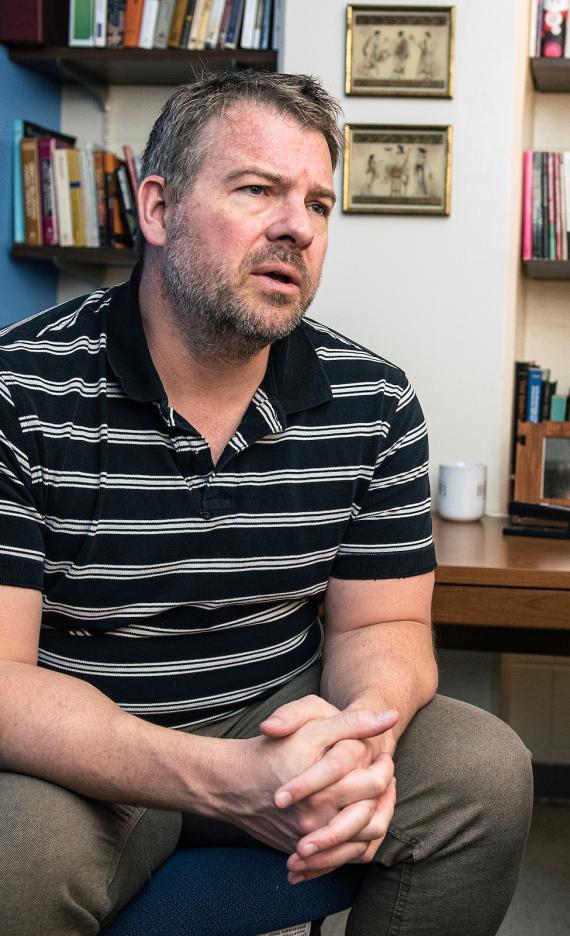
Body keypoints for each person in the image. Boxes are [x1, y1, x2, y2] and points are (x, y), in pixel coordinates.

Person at [0, 71, 532, 936]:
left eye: (319, 205)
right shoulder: (18, 387)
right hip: (84, 745)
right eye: (258, 190)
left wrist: (357, 740)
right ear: (160, 209)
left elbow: (379, 630)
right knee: (14, 854)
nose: (298, 226)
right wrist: (220, 776)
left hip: (276, 711)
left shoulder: (375, 399)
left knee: (485, 771)